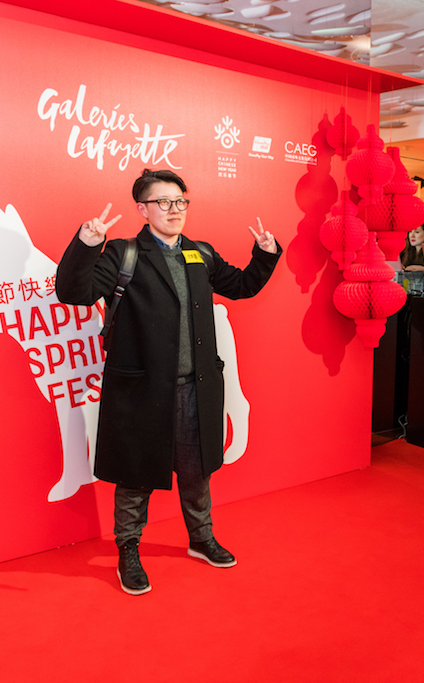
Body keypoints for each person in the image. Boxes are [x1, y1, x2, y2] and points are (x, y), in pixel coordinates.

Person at [55, 168, 281, 596]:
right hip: (142, 388)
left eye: (180, 201)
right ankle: (128, 549)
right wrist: (87, 243)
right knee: (135, 475)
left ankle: (201, 538)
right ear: (142, 209)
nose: (174, 210)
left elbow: (243, 286)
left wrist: (265, 254)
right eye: (163, 202)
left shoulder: (200, 253)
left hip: (196, 386)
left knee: (197, 471)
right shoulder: (124, 254)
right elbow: (72, 291)